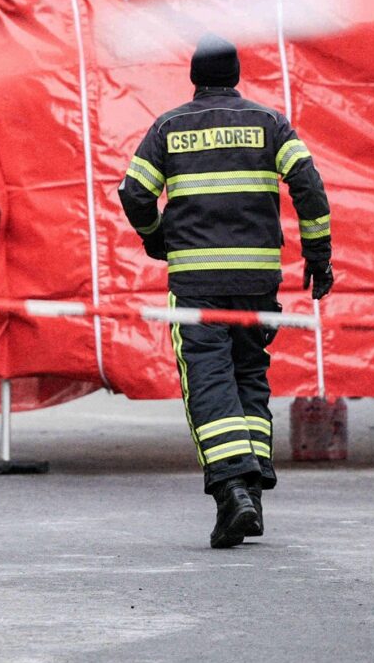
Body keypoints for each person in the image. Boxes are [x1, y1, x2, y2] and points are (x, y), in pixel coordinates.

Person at [117, 34, 335, 549]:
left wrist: (157, 240)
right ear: (236, 76)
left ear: (194, 77)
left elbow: (134, 190)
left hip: (197, 282)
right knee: (248, 376)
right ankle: (252, 495)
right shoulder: (269, 124)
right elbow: (308, 184)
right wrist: (318, 257)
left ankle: (233, 491)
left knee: (209, 381)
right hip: (258, 280)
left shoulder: (170, 127)